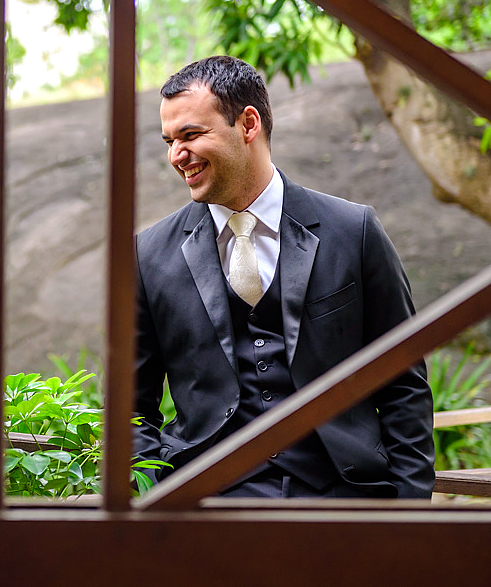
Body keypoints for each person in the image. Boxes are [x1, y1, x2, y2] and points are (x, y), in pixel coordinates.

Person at [134, 56, 434, 499]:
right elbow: (131, 411)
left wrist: (407, 516)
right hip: (208, 509)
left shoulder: (354, 232)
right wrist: (153, 504)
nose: (177, 155)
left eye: (192, 135)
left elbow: (404, 383)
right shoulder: (148, 254)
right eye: (170, 140)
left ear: (248, 124)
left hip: (343, 500)